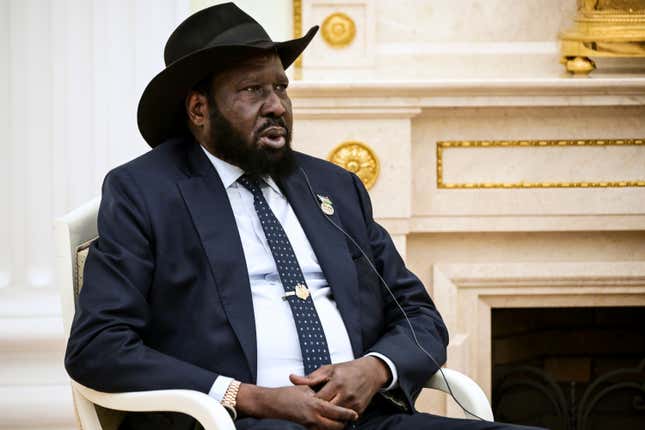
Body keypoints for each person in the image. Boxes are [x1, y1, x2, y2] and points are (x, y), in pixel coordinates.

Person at [64, 3, 543, 430]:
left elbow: (418, 315)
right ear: (198, 109)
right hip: (238, 423)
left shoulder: (333, 187)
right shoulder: (145, 192)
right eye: (252, 90)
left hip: (368, 416)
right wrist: (249, 398)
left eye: (280, 88)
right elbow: (98, 347)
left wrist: (374, 368)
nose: (276, 106)